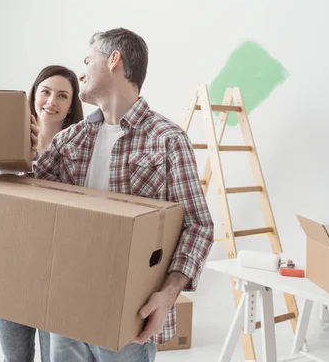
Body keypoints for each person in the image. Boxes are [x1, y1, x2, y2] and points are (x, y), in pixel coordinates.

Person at [32, 28, 214, 362]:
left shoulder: (167, 140)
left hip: (129, 318)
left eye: (88, 60)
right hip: (65, 308)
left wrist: (169, 294)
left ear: (113, 60)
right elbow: (25, 194)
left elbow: (198, 226)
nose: (82, 72)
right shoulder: (71, 139)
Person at [0, 65, 84, 362]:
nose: (51, 101)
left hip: (54, 272)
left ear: (72, 105)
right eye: (45, 91)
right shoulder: (7, 141)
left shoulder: (77, 151)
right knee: (15, 359)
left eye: (62, 95)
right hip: (10, 268)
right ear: (33, 95)